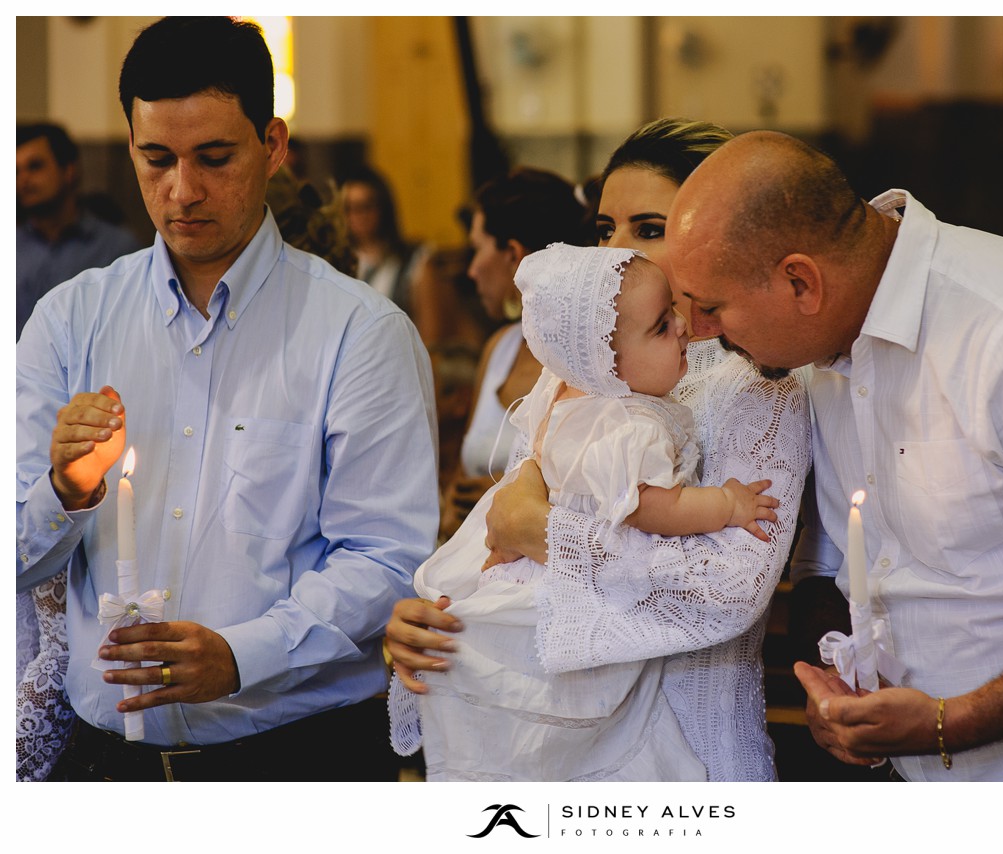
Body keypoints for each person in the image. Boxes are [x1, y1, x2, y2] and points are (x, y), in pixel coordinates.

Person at [666, 130, 1003, 781]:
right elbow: (835, 562)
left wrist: (952, 720)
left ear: (802, 281)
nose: (697, 329)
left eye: (710, 306)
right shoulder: (819, 351)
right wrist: (838, 689)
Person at [15, 16, 439, 781]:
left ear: (273, 146)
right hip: (106, 766)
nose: (183, 190)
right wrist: (66, 490)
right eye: (155, 160)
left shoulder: (357, 331)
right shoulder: (72, 319)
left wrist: (243, 654)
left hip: (296, 759)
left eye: (214, 157)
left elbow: (387, 556)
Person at [387, 118, 814, 781]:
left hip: (682, 749)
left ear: (717, 233)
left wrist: (547, 533)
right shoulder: (582, 374)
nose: (616, 248)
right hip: (539, 739)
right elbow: (495, 534)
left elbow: (726, 589)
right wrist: (437, 613)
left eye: (648, 228)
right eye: (603, 228)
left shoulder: (756, 383)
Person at [439, 167, 591, 541]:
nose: (472, 270)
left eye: (477, 250)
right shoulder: (499, 348)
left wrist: (499, 503)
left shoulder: (582, 362)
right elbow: (464, 470)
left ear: (513, 254)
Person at [16, 122, 142, 338]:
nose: (23, 180)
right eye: (16, 171)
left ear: (69, 170)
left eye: (35, 166)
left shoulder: (116, 248)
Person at [341, 163, 428, 314]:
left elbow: (430, 332)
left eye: (365, 207)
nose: (358, 217)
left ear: (383, 207)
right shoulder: (338, 261)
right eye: (350, 208)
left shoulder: (414, 260)